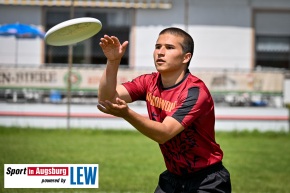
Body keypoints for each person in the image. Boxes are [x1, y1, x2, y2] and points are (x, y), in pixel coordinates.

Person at [97, 27, 231, 193]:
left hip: (207, 180)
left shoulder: (195, 92)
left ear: (186, 57)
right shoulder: (148, 82)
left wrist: (127, 114)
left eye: (169, 48)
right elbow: (106, 99)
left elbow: (164, 133)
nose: (160, 52)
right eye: (157, 46)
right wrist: (113, 61)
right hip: (173, 178)